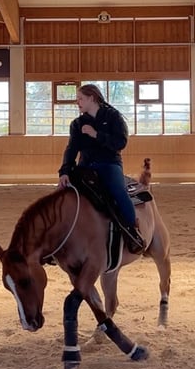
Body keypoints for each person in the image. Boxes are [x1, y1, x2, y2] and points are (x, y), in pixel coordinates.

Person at [57, 84, 145, 254]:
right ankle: (59, 241)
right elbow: (71, 149)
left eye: (80, 98)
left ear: (92, 98)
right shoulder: (77, 124)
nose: (78, 102)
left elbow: (120, 143)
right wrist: (65, 171)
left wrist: (96, 134)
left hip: (109, 164)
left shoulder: (113, 117)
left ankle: (133, 232)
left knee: (119, 192)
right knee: (61, 196)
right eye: (77, 99)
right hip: (85, 167)